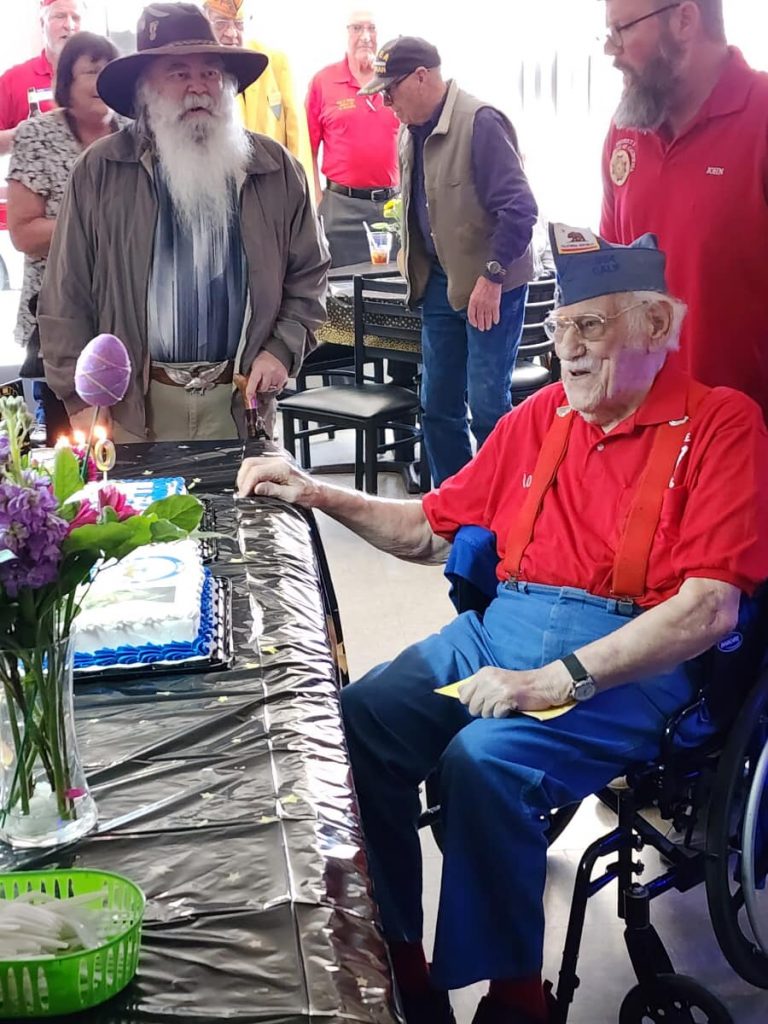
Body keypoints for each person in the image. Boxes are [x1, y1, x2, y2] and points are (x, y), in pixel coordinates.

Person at [237, 224, 768, 1024]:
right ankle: (400, 960)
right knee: (359, 721)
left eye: (591, 326)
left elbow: (708, 609)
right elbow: (428, 529)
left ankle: (517, 995)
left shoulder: (722, 425)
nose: (569, 351)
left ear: (656, 327)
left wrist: (552, 681)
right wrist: (314, 491)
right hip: (500, 628)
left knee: (483, 762)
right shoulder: (540, 417)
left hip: (631, 659)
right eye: (560, 329)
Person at [38, 2, 329, 444]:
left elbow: (310, 274)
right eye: (178, 73)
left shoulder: (276, 169)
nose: (199, 87)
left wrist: (281, 349)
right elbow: (65, 297)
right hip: (132, 411)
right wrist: (79, 403)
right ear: (144, 89)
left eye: (211, 72)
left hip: (238, 406)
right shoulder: (99, 170)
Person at [360, 36, 538, 486]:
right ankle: (455, 506)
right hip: (440, 282)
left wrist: (492, 277)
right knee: (437, 404)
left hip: (490, 284)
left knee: (488, 406)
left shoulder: (480, 123)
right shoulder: (409, 131)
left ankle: (505, 512)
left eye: (390, 91)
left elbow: (520, 209)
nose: (386, 103)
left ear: (422, 77)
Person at [599, 0, 768, 424]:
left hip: (748, 442)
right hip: (645, 438)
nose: (609, 49)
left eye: (622, 30)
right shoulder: (625, 133)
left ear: (684, 19)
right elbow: (611, 283)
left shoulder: (761, 116)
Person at [7, 31, 122, 442]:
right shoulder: (37, 136)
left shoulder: (136, 131)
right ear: (67, 84)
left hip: (128, 316)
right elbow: (24, 233)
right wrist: (102, 227)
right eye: (92, 71)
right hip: (58, 318)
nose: (103, 80)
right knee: (69, 446)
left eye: (110, 69)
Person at [306, 8, 399, 267]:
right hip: (341, 207)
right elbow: (307, 148)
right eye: (357, 28)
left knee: (393, 290)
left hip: (392, 207)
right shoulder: (323, 81)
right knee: (339, 291)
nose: (365, 36)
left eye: (371, 29)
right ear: (346, 34)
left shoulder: (394, 81)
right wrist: (317, 198)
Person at [201, 0, 313, 182]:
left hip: (272, 185)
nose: (231, 33)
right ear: (204, 22)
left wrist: (302, 193)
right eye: (221, 24)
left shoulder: (273, 62)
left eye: (239, 25)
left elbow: (297, 140)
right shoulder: (195, 72)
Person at [0, 0, 84, 155]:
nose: (70, 25)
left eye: (76, 18)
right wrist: (31, 133)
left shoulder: (100, 78)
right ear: (41, 23)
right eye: (60, 16)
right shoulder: (13, 79)